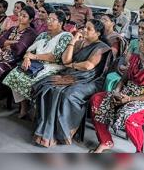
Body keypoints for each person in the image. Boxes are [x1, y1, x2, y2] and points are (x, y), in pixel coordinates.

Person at [90, 30, 144, 153]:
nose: (140, 43)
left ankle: (141, 151)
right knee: (97, 100)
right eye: (140, 39)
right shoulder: (136, 58)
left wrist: (129, 99)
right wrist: (117, 92)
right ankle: (105, 141)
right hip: (127, 93)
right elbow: (123, 79)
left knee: (130, 117)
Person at [31, 19, 111, 147]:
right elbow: (65, 60)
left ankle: (62, 134)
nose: (84, 30)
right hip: (72, 74)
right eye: (84, 27)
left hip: (90, 80)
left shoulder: (102, 47)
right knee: (46, 86)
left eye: (89, 29)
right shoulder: (80, 43)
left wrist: (72, 65)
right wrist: (73, 41)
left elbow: (88, 66)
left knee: (66, 93)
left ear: (98, 33)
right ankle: (44, 131)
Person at [3, 10, 73, 119]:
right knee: (15, 74)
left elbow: (55, 57)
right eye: (48, 18)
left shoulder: (65, 36)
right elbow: (30, 50)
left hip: (53, 66)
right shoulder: (43, 35)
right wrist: (27, 58)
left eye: (52, 20)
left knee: (34, 82)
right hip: (36, 64)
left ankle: (37, 111)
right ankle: (24, 106)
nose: (49, 21)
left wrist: (34, 57)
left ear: (61, 23)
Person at [0, 6, 37, 82]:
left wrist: (7, 44)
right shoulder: (13, 28)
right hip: (3, 54)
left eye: (24, 16)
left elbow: (19, 49)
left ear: (30, 20)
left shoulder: (30, 33)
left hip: (16, 59)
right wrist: (11, 42)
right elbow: (0, 41)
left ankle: (1, 91)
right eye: (20, 15)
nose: (21, 17)